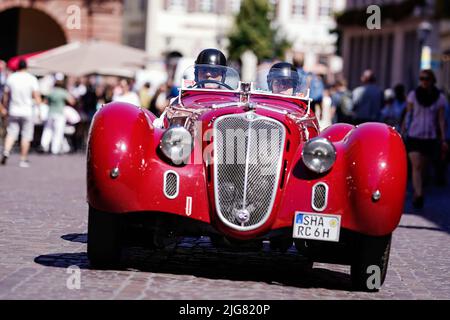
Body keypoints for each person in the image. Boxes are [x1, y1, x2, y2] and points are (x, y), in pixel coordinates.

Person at [401, 69, 448, 208]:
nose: (423, 81)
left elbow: (441, 120)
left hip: (430, 137)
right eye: (421, 78)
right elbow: (408, 115)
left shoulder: (440, 98)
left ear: (432, 80)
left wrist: (444, 139)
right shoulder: (413, 95)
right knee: (416, 166)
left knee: (423, 168)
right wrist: (402, 131)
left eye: (426, 79)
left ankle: (418, 191)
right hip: (414, 135)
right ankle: (419, 194)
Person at [1, 60, 41, 167]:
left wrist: (5, 107)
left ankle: (6, 151)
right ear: (26, 67)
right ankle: (23, 159)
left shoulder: (11, 78)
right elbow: (36, 95)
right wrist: (39, 110)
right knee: (26, 135)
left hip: (13, 109)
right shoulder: (31, 78)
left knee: (11, 133)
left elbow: (6, 95)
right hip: (27, 110)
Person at [40, 78, 76, 155]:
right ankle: (54, 149)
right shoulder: (63, 92)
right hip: (60, 114)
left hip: (50, 113)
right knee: (58, 132)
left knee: (48, 130)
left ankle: (44, 145)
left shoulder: (51, 92)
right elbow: (72, 101)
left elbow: (44, 102)